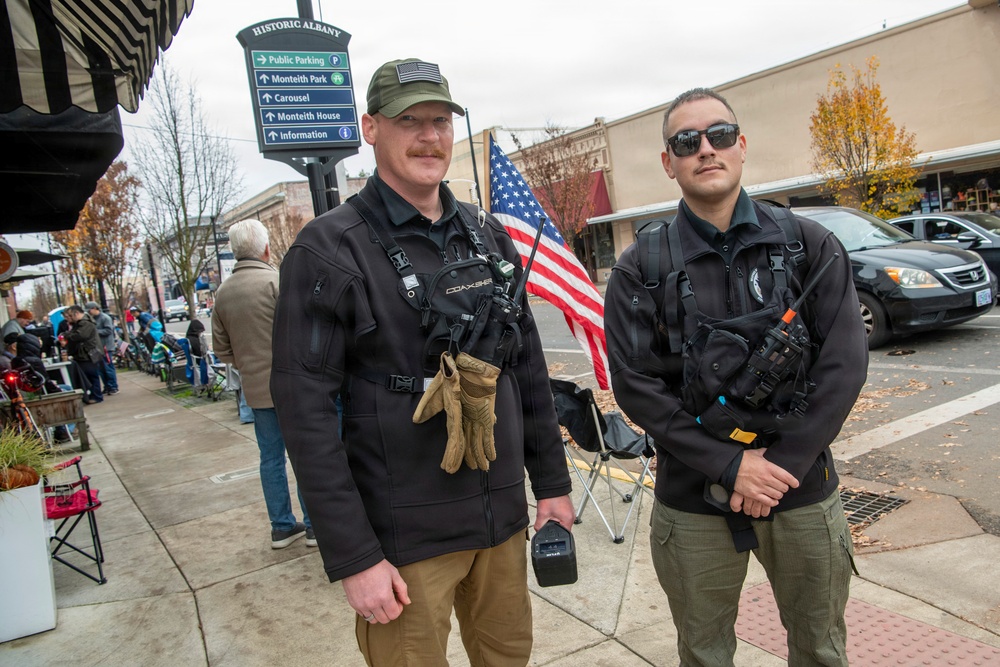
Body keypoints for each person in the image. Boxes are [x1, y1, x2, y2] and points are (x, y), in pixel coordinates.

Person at [270, 58, 574, 666]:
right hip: (405, 540)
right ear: (370, 127)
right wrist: (355, 556)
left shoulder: (487, 236)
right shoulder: (329, 249)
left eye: (440, 120)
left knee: (508, 656)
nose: (429, 136)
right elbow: (304, 416)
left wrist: (552, 484)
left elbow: (527, 369)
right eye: (409, 120)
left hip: (501, 521)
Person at [603, 88, 869, 666]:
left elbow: (844, 364)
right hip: (692, 497)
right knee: (704, 654)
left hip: (799, 486)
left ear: (741, 146)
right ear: (668, 161)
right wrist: (728, 466)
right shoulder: (640, 266)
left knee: (821, 648)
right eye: (686, 141)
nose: (706, 149)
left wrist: (780, 467)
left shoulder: (808, 244)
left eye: (720, 135)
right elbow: (635, 384)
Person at [212, 219, 314, 550]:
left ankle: (282, 526)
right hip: (293, 384)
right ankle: (314, 525)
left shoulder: (223, 294)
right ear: (266, 248)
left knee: (270, 457)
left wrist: (248, 366)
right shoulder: (276, 282)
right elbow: (302, 332)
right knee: (305, 456)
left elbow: (222, 350)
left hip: (256, 390)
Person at [61, 304, 104, 404]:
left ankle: (96, 396)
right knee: (89, 375)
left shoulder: (85, 323)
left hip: (89, 353)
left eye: (71, 316)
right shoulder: (81, 323)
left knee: (92, 375)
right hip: (86, 353)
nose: (69, 319)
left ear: (76, 314)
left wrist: (66, 335)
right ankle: (93, 395)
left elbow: (80, 336)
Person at [86, 302, 119, 395]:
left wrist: (95, 331)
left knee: (108, 367)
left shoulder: (105, 318)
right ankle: (107, 386)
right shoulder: (93, 319)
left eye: (89, 310)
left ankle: (113, 386)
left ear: (94, 308)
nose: (89, 312)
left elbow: (109, 330)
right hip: (98, 347)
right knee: (101, 369)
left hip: (106, 347)